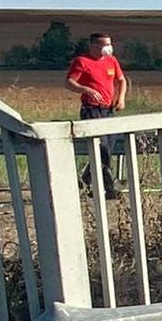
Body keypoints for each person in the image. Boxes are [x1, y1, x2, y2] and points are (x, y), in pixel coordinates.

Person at [66, 32, 128, 199]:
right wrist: (86, 90)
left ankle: (86, 178)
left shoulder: (111, 61)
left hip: (108, 110)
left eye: (109, 44)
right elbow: (70, 82)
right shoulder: (82, 61)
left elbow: (121, 80)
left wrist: (120, 98)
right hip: (91, 110)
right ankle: (109, 188)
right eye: (104, 44)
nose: (108, 47)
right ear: (94, 45)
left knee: (108, 148)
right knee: (102, 148)